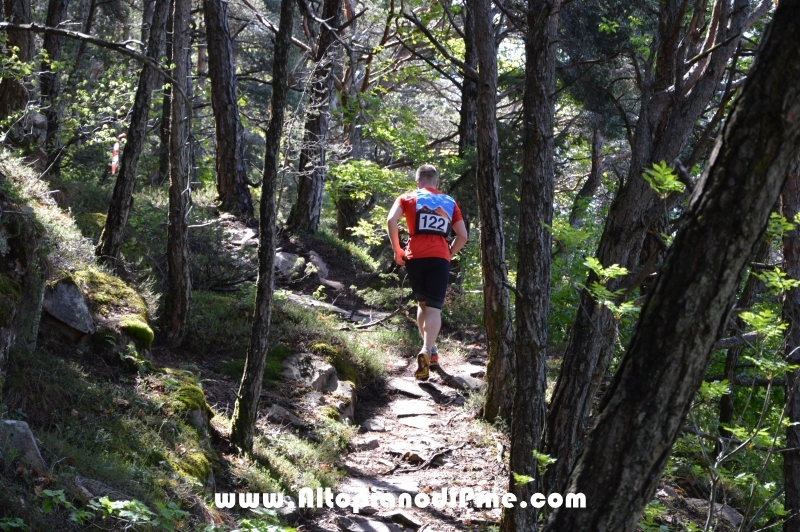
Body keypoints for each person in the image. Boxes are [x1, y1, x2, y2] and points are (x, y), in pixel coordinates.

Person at [387, 164, 468, 380]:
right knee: (435, 309)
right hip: (439, 257)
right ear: (437, 182)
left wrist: (397, 249)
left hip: (414, 257)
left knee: (422, 305)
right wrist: (449, 253)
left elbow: (391, 220)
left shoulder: (407, 197)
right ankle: (427, 349)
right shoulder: (450, 202)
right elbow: (463, 236)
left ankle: (430, 351)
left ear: (418, 181)